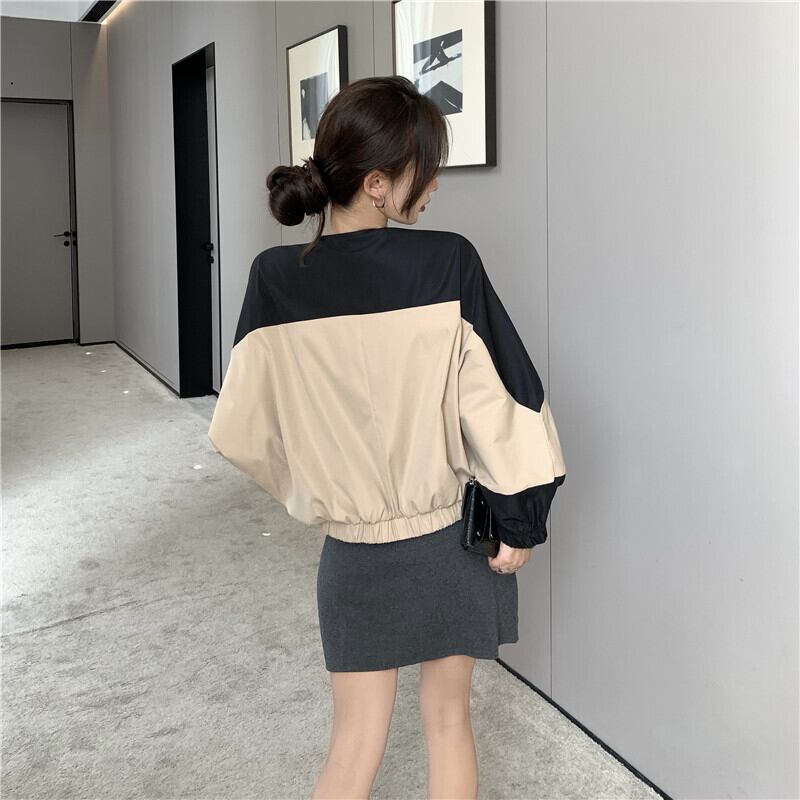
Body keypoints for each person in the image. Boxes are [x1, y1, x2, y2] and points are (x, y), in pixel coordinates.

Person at [207, 75, 567, 800]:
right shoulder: (445, 262)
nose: (433, 186)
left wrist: (321, 489)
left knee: (351, 749)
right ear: (376, 183)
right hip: (449, 544)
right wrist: (521, 515)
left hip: (352, 555)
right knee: (449, 724)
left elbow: (240, 429)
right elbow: (504, 401)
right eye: (423, 169)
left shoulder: (274, 279)